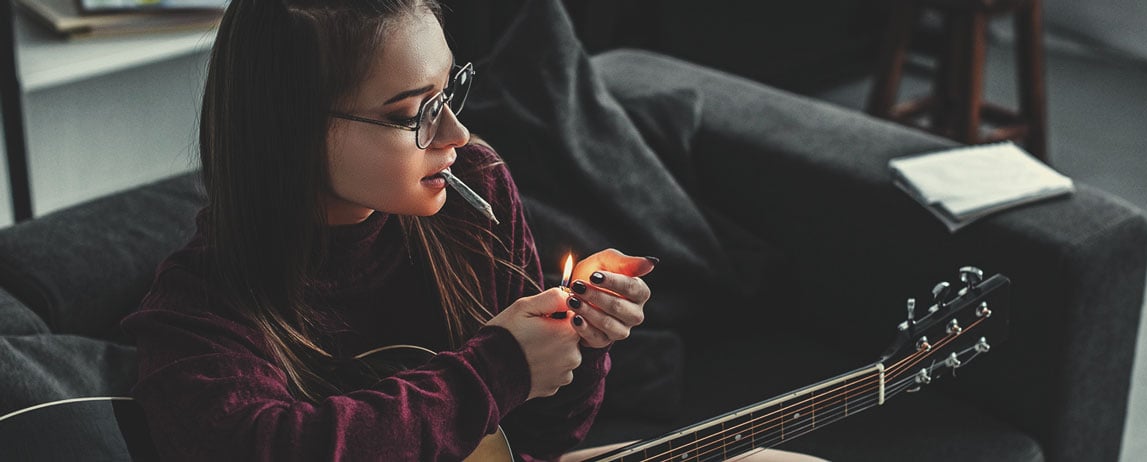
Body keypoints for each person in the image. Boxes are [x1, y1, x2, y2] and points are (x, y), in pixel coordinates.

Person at [121, 0, 819, 460]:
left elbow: (542, 439)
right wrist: (500, 364)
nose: (454, 132)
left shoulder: (471, 191)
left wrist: (574, 340)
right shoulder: (196, 316)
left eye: (449, 92)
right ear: (290, 134)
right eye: (411, 112)